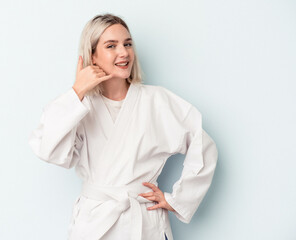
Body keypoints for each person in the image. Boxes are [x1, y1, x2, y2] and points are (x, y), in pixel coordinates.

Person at [28, 13, 218, 240]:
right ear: (93, 56)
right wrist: (77, 91)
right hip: (93, 224)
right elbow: (47, 149)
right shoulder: (80, 106)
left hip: (142, 224)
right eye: (111, 46)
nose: (124, 52)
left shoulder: (157, 101)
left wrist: (178, 200)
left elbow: (203, 144)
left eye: (128, 44)